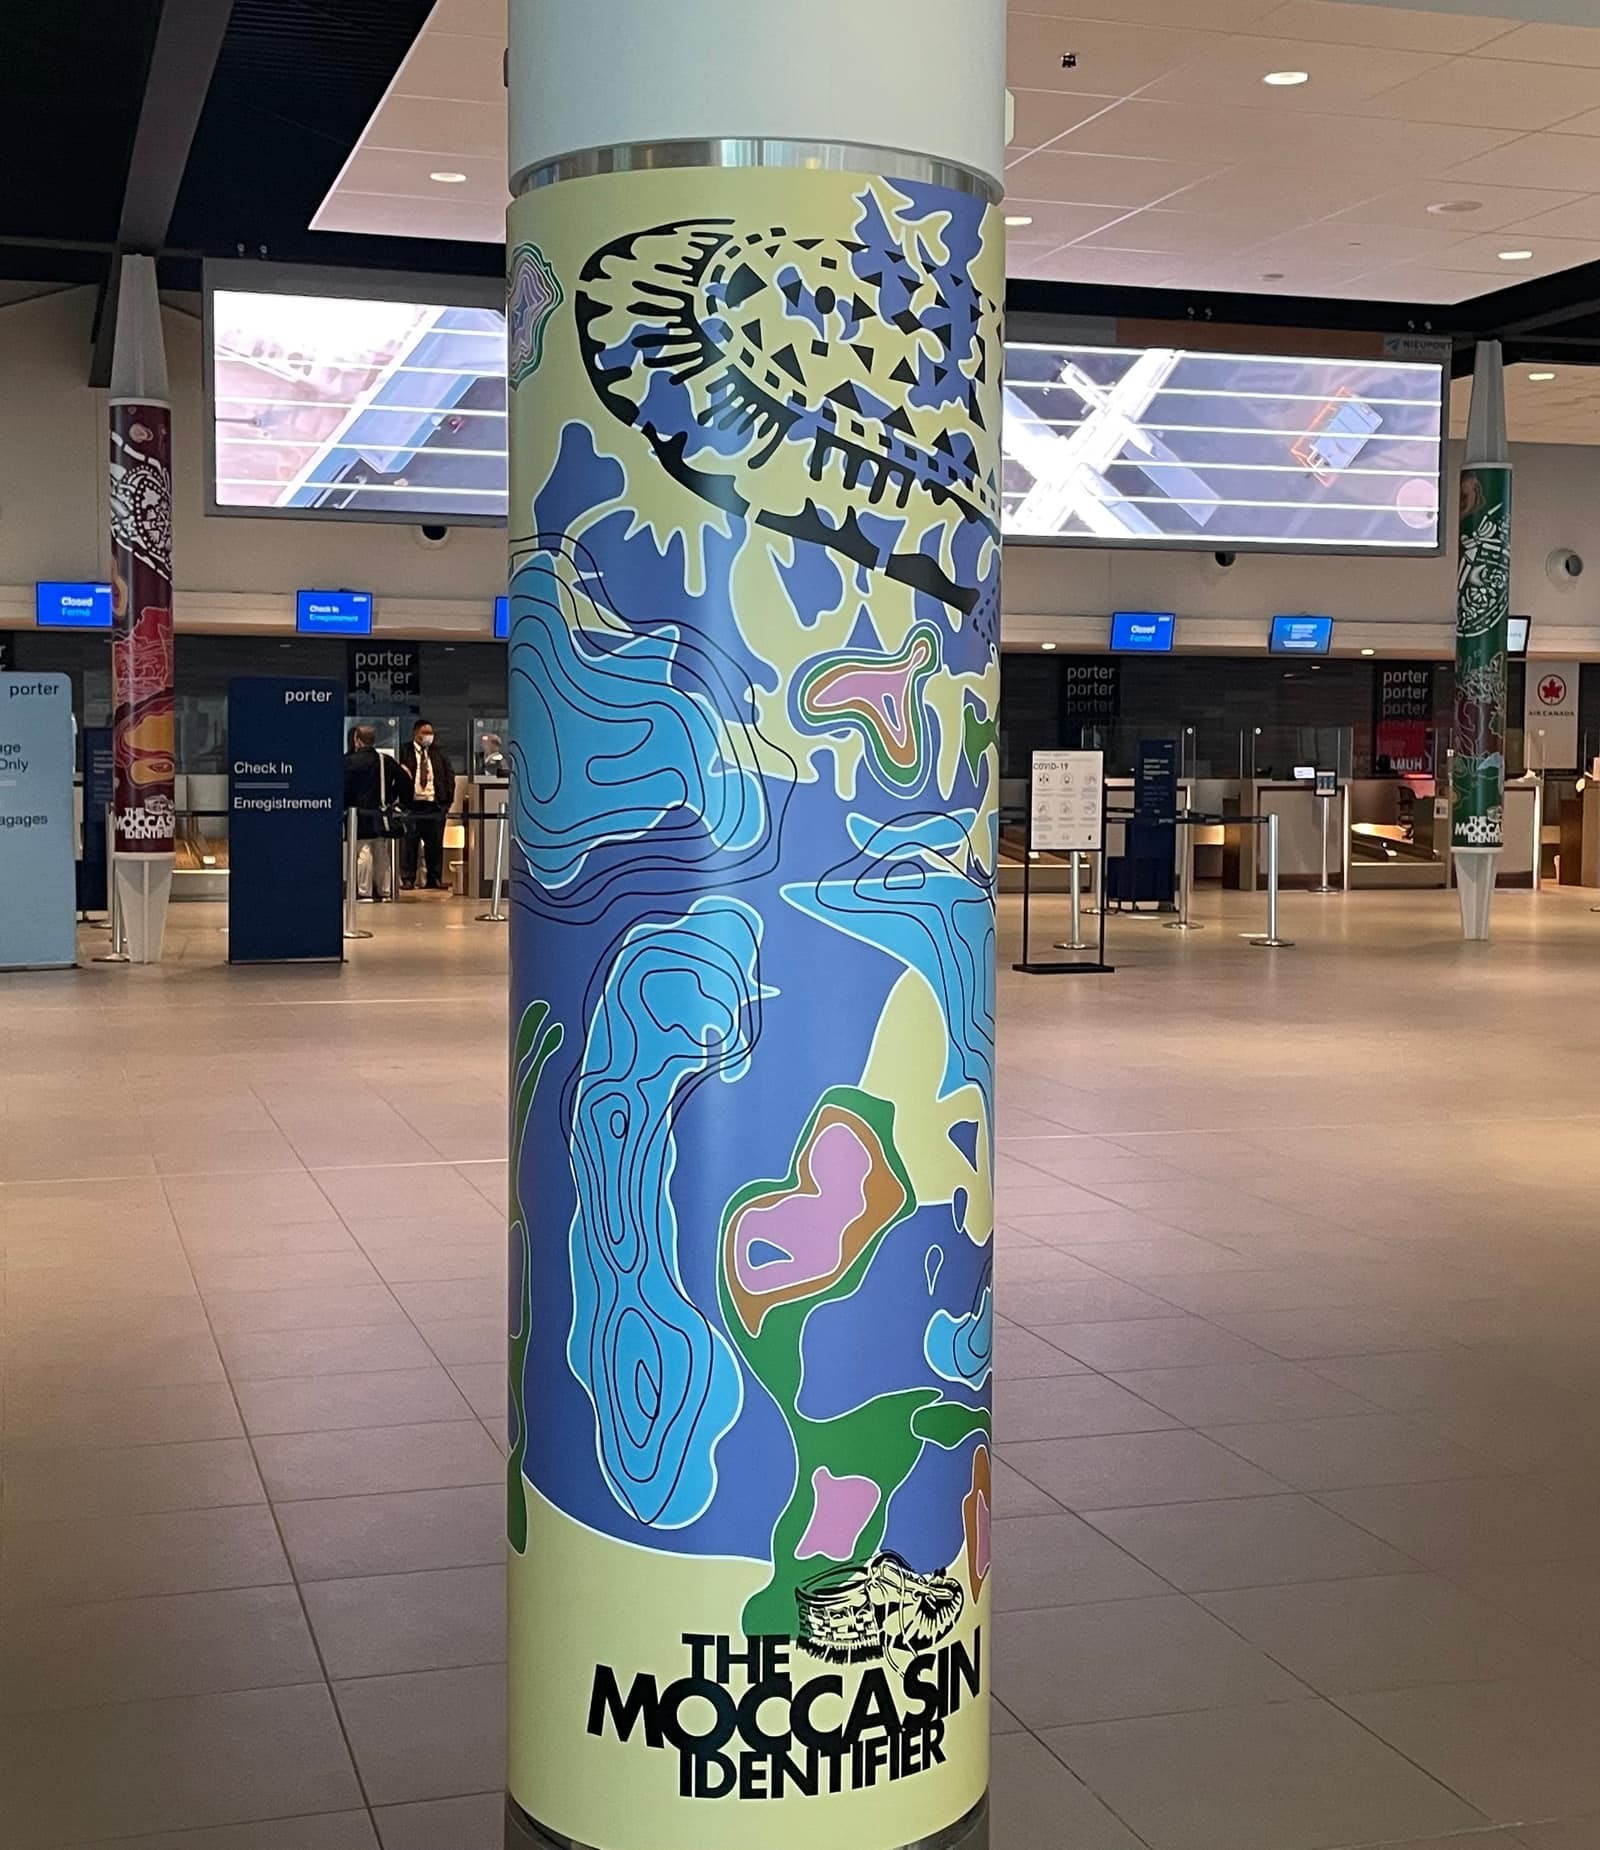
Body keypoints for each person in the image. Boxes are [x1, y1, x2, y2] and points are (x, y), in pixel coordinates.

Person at [397, 719, 455, 890]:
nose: (429, 736)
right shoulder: (404, 751)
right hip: (411, 805)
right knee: (409, 843)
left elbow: (449, 776)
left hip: (434, 806)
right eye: (425, 733)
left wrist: (447, 802)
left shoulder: (439, 752)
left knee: (435, 844)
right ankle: (408, 878)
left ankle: (434, 878)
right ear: (416, 734)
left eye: (431, 733)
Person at [342, 724, 393, 901]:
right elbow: (404, 781)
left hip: (358, 814)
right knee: (381, 852)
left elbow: (345, 788)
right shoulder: (384, 760)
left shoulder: (350, 761)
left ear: (357, 739)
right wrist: (393, 800)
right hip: (380, 812)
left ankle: (364, 891)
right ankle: (385, 891)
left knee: (363, 852)